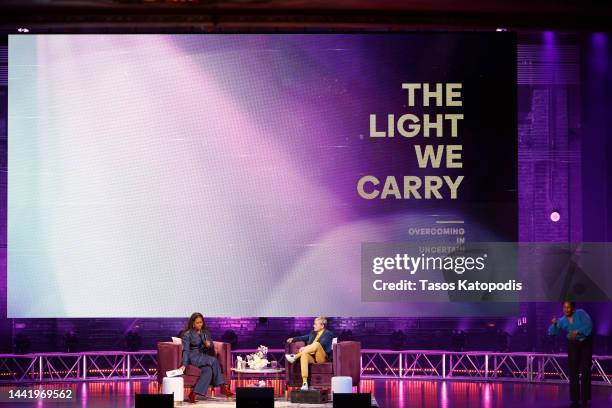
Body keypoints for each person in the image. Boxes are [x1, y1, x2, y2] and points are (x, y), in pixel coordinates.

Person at [178, 312, 234, 403]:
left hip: (203, 356)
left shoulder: (205, 332)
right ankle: (223, 387)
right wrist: (184, 364)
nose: (200, 324)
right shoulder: (187, 334)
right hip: (194, 356)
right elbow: (186, 351)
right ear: (193, 323)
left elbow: (210, 343)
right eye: (198, 323)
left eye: (201, 322)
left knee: (208, 370)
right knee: (214, 360)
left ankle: (193, 394)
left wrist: (209, 345)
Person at [548, 301, 593, 407]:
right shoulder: (562, 320)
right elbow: (552, 332)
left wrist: (577, 331)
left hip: (585, 343)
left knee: (586, 370)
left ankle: (585, 398)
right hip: (573, 345)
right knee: (573, 371)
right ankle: (575, 399)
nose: (566, 309)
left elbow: (589, 325)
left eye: (568, 307)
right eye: (564, 307)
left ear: (573, 308)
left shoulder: (581, 313)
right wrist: (554, 324)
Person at [284, 316, 334, 390]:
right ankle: (305, 383)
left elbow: (321, 344)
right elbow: (303, 337)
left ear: (322, 326)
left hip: (321, 357)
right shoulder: (312, 333)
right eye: (314, 324)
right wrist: (293, 339)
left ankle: (295, 356)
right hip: (312, 357)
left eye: (316, 324)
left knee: (317, 344)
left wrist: (305, 348)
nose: (314, 326)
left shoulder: (328, 333)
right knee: (304, 354)